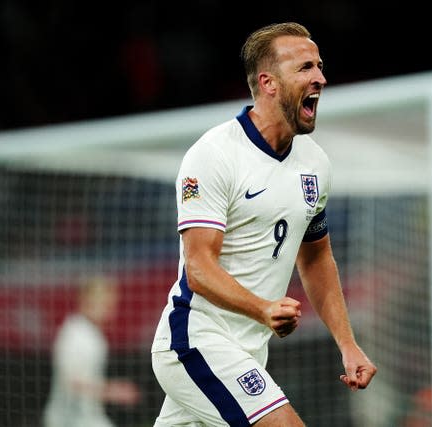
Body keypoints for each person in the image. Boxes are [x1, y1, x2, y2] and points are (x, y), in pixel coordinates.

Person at [150, 21, 377, 426]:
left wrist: (348, 344)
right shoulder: (215, 155)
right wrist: (262, 308)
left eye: (320, 66)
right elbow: (199, 269)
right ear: (269, 83)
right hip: (196, 340)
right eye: (306, 67)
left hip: (249, 350)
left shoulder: (314, 164)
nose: (321, 78)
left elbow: (316, 259)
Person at [43, 276, 141, 427]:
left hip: (87, 416)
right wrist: (113, 392)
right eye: (107, 305)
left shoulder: (91, 333)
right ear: (88, 302)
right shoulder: (75, 333)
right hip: (68, 419)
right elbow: (72, 380)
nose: (111, 311)